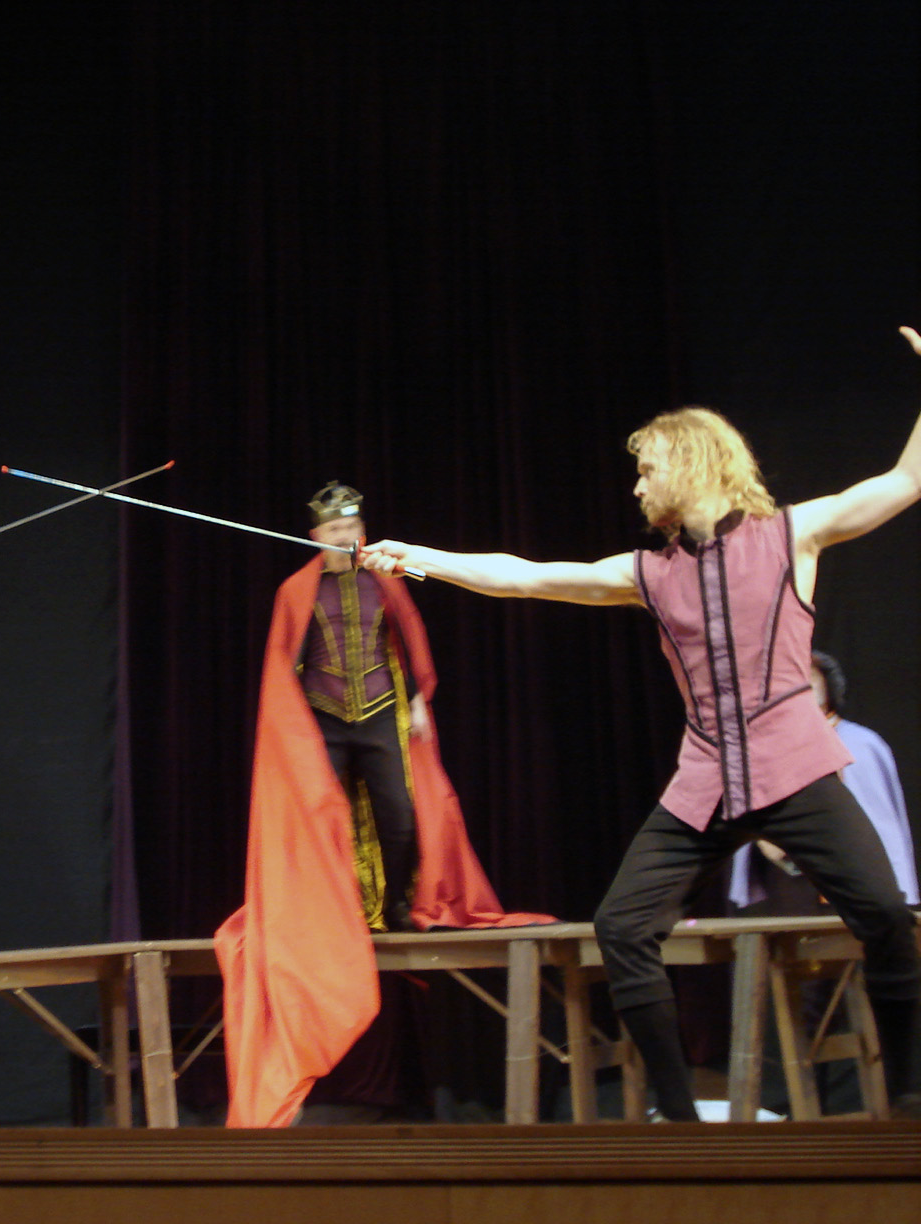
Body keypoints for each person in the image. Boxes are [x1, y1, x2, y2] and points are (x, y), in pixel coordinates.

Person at [362, 326, 921, 1120]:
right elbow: (526, 578)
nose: (636, 486)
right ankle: (679, 1117)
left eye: (646, 469)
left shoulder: (793, 535)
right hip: (705, 783)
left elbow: (906, 479)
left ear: (691, 463)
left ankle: (907, 1096)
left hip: (795, 767)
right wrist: (421, 557)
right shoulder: (649, 573)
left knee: (887, 917)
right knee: (622, 927)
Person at [214, 482, 552, 1128]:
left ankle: (397, 903)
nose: (347, 536)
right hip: (322, 718)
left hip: (378, 714)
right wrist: (290, 731)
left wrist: (419, 698)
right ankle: (337, 913)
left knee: (400, 816)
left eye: (354, 527)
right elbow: (283, 662)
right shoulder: (295, 590)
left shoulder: (384, 578)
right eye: (336, 530)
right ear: (316, 535)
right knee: (324, 821)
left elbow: (409, 639)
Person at [729, 650, 919, 913]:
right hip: (788, 877)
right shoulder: (765, 746)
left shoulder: (863, 744)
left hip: (853, 876)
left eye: (809, 679)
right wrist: (765, 839)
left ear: (828, 687)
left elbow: (882, 824)